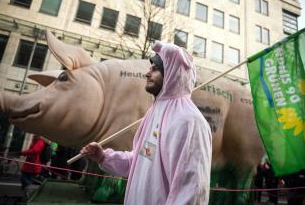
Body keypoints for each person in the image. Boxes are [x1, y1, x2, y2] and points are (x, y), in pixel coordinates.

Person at [81, 41, 212, 204]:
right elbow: (140, 161)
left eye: (155, 69)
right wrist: (103, 157)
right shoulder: (154, 114)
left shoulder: (189, 121)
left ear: (172, 73)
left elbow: (191, 192)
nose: (147, 73)